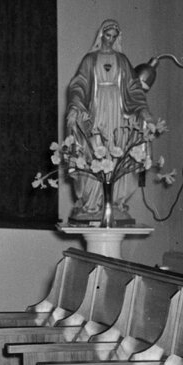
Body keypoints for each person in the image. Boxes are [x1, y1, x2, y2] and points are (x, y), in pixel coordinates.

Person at [64, 19, 151, 223]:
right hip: (96, 110)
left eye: (114, 37)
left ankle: (115, 202)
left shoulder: (122, 60)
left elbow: (133, 88)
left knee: (117, 149)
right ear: (101, 35)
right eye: (107, 35)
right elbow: (79, 85)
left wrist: (144, 111)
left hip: (118, 112)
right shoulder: (90, 60)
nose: (110, 40)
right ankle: (92, 203)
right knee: (94, 150)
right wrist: (75, 107)